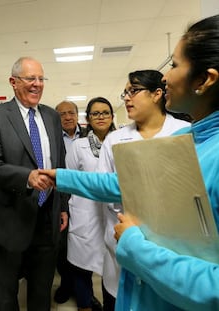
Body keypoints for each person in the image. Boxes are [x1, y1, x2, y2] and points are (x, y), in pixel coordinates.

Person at [40, 69, 190, 309]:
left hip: (170, 244)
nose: (127, 98)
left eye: (134, 91)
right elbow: (105, 184)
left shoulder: (184, 132)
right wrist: (61, 177)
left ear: (157, 94)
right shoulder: (116, 139)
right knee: (117, 297)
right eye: (125, 92)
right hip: (121, 236)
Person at [111, 14, 219, 310]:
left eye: (174, 65)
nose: (165, 76)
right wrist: (60, 176)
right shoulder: (187, 138)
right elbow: (125, 181)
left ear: (205, 79)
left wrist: (133, 244)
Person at [0, 56, 68, 310]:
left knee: (42, 292)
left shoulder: (52, 116)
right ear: (13, 82)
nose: (37, 84)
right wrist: (26, 177)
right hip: (11, 219)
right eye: (31, 78)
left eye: (41, 79)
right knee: (6, 295)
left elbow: (59, 163)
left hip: (47, 217)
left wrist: (63, 206)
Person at [66, 97, 116, 311]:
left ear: (112, 116)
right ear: (88, 119)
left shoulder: (121, 141)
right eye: (95, 113)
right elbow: (69, 179)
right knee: (81, 265)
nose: (101, 117)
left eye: (105, 112)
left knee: (112, 269)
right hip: (85, 214)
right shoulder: (79, 145)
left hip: (113, 214)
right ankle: (85, 306)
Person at [53, 99, 88, 304]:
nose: (67, 117)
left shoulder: (89, 136)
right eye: (62, 114)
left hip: (85, 200)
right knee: (63, 247)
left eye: (71, 113)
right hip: (62, 198)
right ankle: (66, 285)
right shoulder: (53, 138)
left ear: (77, 115)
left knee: (84, 246)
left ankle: (83, 291)